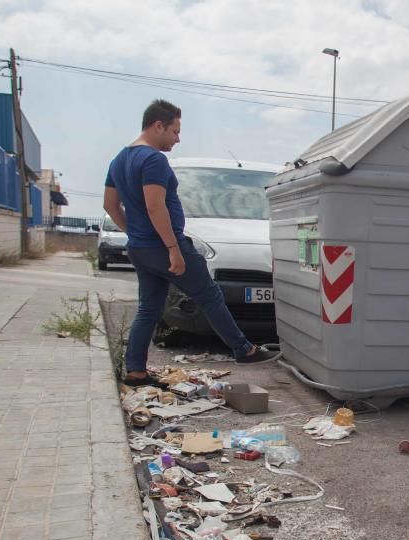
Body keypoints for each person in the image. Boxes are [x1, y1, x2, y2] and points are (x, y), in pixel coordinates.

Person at [103, 99, 280, 387]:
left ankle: (135, 370)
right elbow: (154, 206)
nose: (178, 138)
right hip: (164, 246)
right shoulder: (153, 160)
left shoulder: (119, 160)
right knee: (209, 295)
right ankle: (244, 349)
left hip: (141, 248)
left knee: (149, 308)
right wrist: (173, 248)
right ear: (158, 125)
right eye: (175, 131)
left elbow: (110, 205)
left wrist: (134, 233)